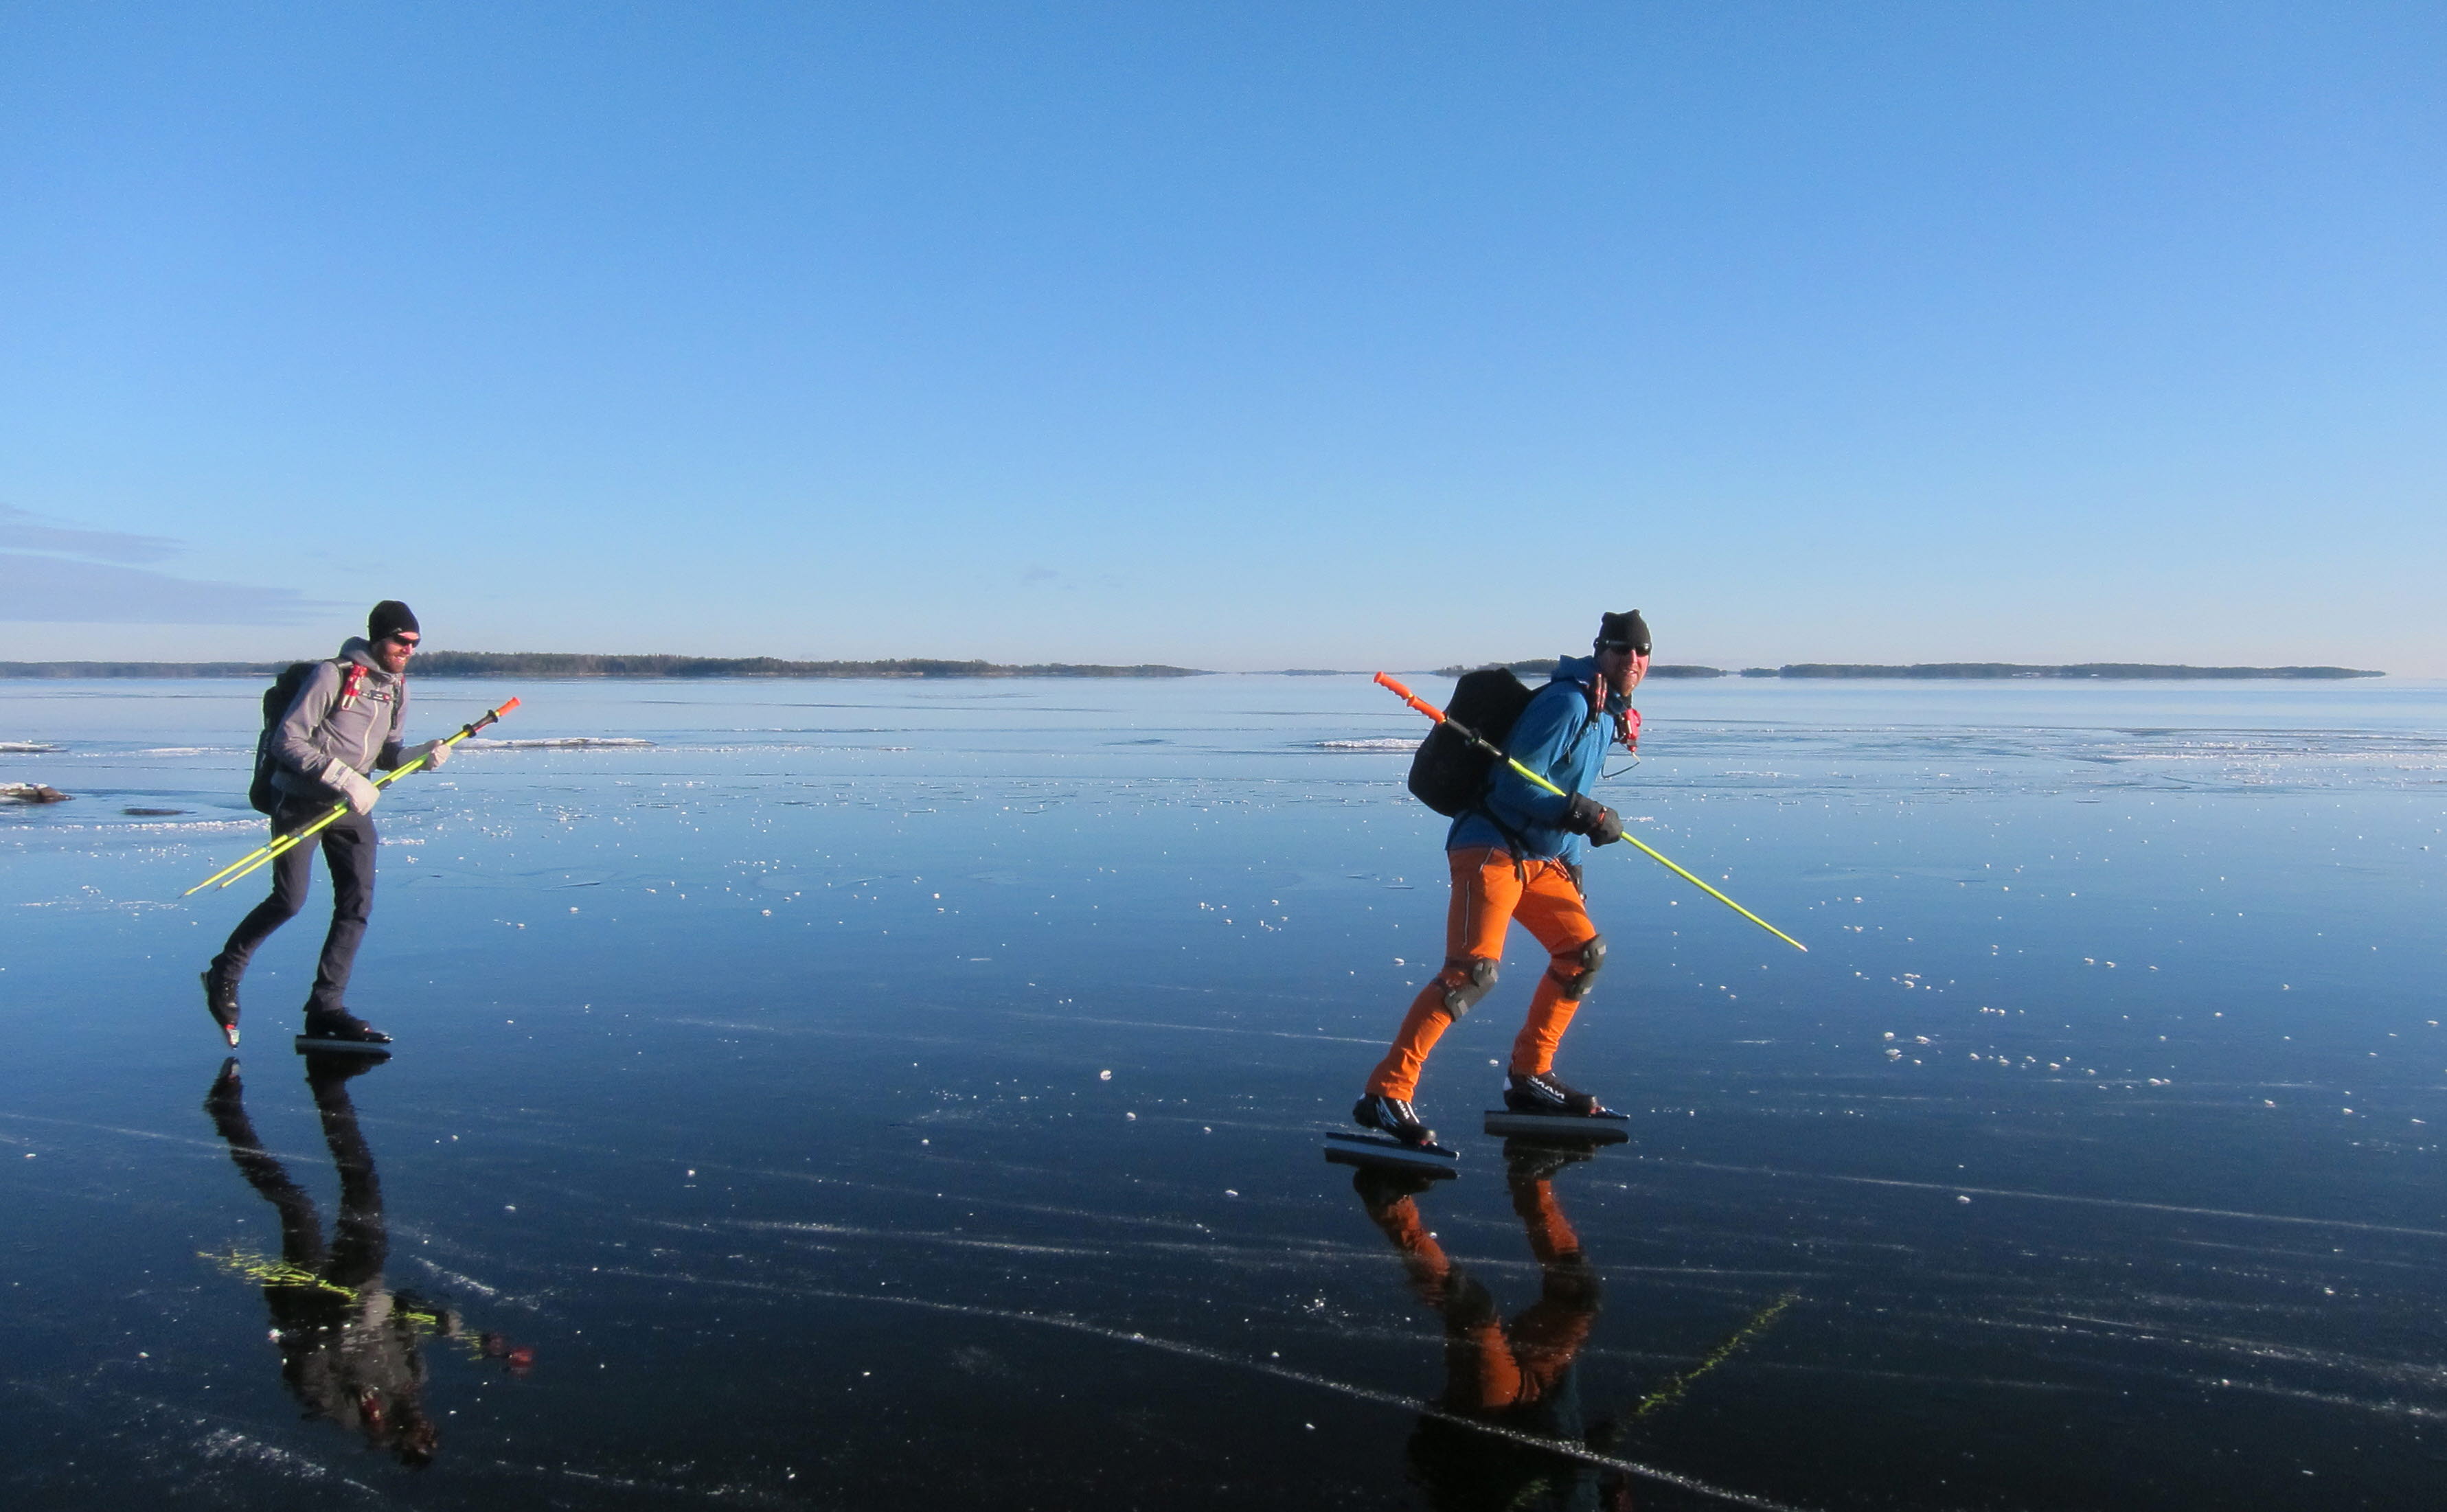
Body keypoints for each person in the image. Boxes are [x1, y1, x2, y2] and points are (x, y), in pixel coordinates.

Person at [1356, 610, 1648, 1147]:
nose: (1631, 661)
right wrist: (1584, 814)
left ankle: (1531, 1078)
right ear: (1600, 653)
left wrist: (1574, 857)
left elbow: (1565, 790)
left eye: (1640, 653)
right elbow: (1513, 783)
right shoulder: (1567, 702)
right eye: (1620, 651)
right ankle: (1385, 1093)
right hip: (1487, 846)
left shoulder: (1605, 714)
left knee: (1581, 954)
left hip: (1539, 857)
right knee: (1471, 972)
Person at [201, 601, 452, 1046]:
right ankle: (225, 972)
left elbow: (387, 751)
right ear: (378, 637)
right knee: (289, 900)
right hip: (302, 801)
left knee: (357, 905)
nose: (408, 650)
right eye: (401, 641)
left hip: (352, 810)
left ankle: (326, 1009)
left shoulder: (397, 688)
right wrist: (342, 777)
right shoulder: (331, 675)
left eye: (415, 643)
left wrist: (417, 756)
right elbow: (287, 740)